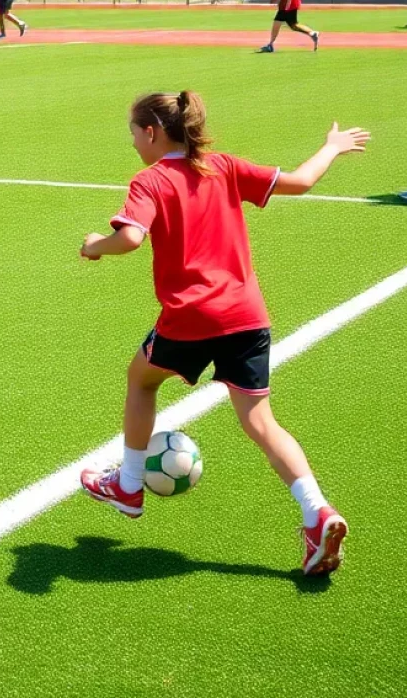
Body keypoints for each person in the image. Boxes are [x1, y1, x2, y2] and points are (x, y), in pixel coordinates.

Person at [78, 91, 369, 576]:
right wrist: (332, 147)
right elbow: (300, 181)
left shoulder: (150, 180)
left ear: (151, 132)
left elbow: (130, 237)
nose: (132, 143)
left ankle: (128, 485)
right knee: (261, 422)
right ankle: (317, 511)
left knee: (141, 380)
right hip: (247, 316)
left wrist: (94, 246)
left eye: (133, 133)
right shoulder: (224, 167)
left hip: (192, 317)